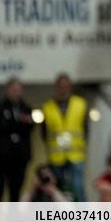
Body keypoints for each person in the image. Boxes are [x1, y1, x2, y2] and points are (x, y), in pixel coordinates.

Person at [40, 73, 88, 201]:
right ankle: (59, 219)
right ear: (56, 88)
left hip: (75, 155)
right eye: (60, 86)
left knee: (77, 187)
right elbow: (44, 133)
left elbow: (85, 129)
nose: (63, 89)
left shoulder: (80, 104)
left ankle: (83, 218)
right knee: (57, 189)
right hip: (56, 156)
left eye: (66, 86)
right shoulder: (47, 107)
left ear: (70, 87)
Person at [0, 77, 34, 202]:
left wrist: (15, 123)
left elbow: (30, 127)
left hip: (20, 156)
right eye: (13, 89)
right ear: (7, 90)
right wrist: (19, 122)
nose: (16, 92)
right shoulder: (1, 107)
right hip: (3, 156)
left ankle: (13, 219)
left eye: (18, 89)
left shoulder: (26, 108)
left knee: (16, 191)